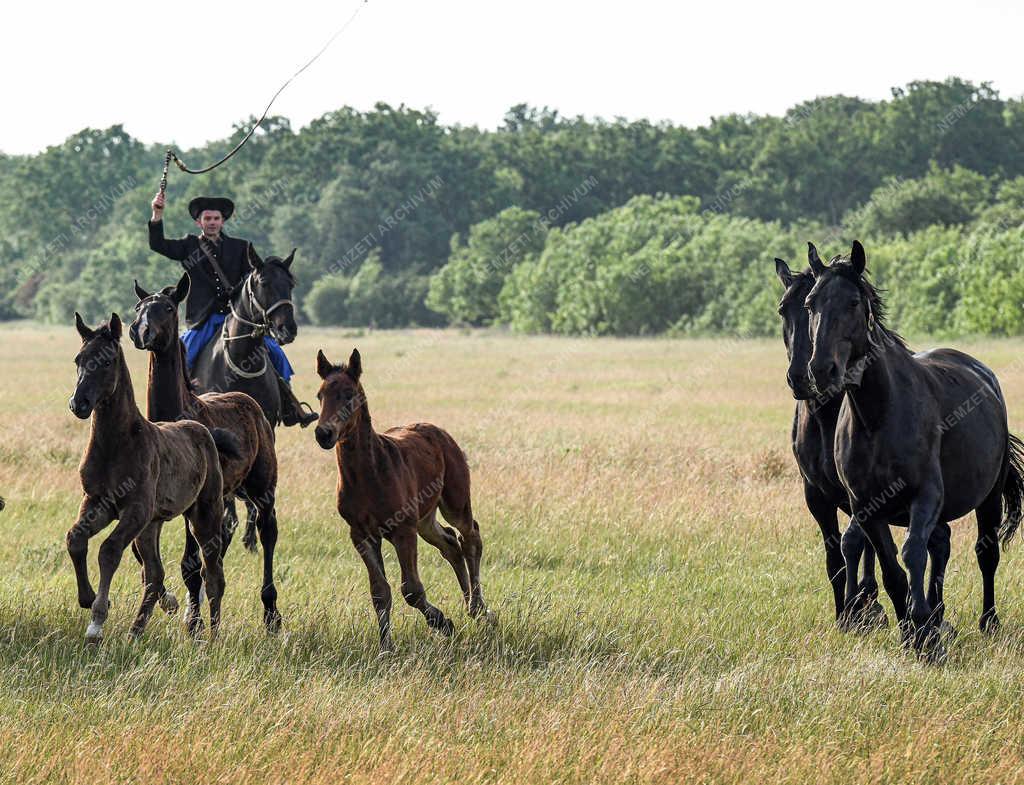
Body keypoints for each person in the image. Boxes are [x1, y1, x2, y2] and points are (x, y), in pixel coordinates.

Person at [148, 191, 317, 427]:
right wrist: (157, 213)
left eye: (216, 218)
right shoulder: (189, 246)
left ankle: (290, 407)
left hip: (238, 318)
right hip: (203, 321)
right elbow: (157, 244)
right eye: (207, 219)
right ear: (199, 222)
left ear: (222, 221)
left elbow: (253, 281)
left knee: (276, 354)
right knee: (181, 357)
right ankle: (175, 409)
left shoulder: (241, 247)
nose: (212, 223)